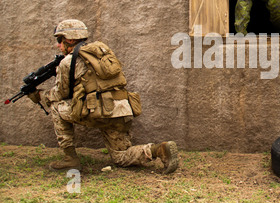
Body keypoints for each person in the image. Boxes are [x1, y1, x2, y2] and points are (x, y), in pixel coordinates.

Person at [28, 19, 178, 173]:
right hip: (121, 110)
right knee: (121, 157)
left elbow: (60, 94)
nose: (58, 45)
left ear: (70, 39)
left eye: (60, 40)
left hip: (97, 112)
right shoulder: (102, 53)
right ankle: (159, 150)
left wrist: (40, 95)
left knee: (55, 106)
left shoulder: (67, 62)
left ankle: (70, 159)